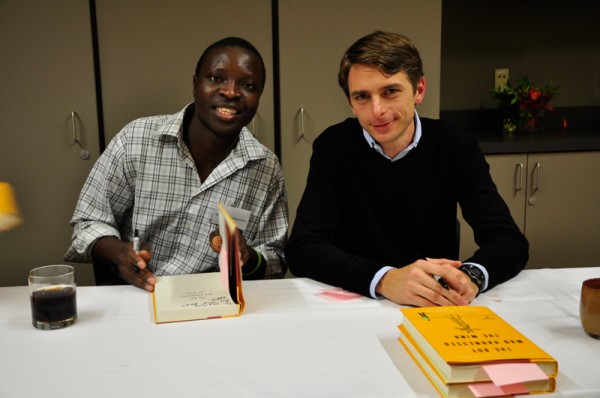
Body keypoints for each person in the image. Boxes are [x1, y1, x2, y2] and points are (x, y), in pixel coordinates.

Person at [285, 31, 528, 307]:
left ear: (419, 90)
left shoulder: (455, 145)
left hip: (434, 304)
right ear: (351, 104)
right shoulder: (333, 147)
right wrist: (386, 280)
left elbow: (509, 240)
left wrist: (470, 275)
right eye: (362, 97)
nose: (377, 110)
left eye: (390, 91)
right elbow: (303, 248)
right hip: (359, 301)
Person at [65, 37, 288, 292]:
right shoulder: (136, 139)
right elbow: (88, 221)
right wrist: (120, 253)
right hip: (137, 295)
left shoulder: (266, 167)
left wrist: (247, 256)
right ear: (195, 84)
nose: (231, 92)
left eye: (248, 85)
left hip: (212, 305)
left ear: (259, 96)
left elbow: (275, 259)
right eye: (216, 78)